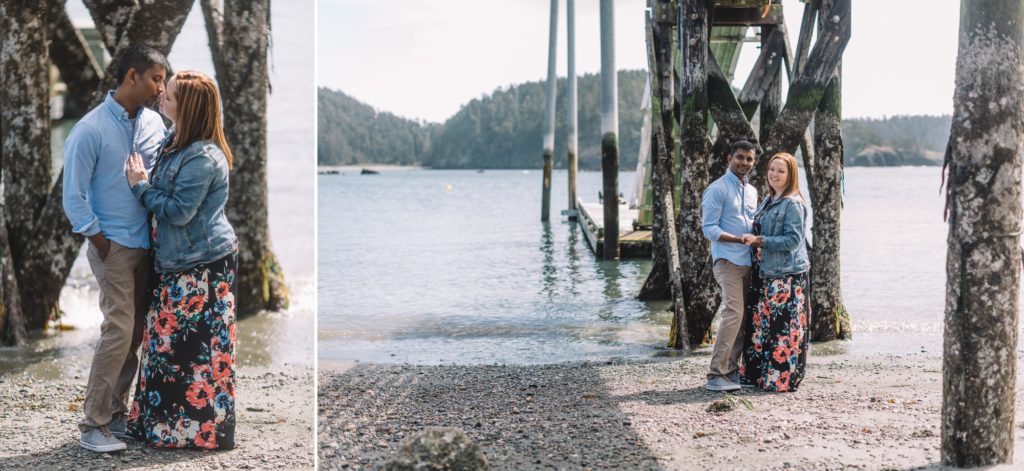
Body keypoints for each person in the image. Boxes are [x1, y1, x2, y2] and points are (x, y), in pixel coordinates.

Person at [124, 70, 239, 449]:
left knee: (198, 352)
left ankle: (198, 434)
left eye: (169, 95)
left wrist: (140, 186)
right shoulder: (175, 141)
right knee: (164, 345)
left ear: (187, 107)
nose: (161, 96)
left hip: (203, 266)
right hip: (175, 262)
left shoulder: (204, 157)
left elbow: (177, 212)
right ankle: (158, 427)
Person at [62, 44, 168, 453]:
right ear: (132, 76)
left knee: (136, 333)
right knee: (118, 331)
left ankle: (117, 414)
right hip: (114, 248)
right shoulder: (89, 130)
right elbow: (73, 198)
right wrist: (102, 242)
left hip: (149, 246)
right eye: (156, 78)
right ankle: (92, 423)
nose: (161, 87)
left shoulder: (155, 125)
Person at [739, 152, 811, 392]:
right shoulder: (769, 200)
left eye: (781, 171)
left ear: (790, 176)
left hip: (786, 275)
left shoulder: (793, 203)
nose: (774, 174)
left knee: (783, 329)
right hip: (764, 272)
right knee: (761, 326)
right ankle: (757, 376)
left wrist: (760, 240)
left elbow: (793, 240)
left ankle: (780, 380)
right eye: (772, 169)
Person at [701, 141, 758, 392]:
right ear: (729, 158)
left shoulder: (754, 191)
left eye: (749, 159)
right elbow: (709, 228)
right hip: (727, 261)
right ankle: (715, 374)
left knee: (743, 318)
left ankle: (732, 372)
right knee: (733, 313)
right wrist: (737, 239)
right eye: (739, 157)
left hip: (749, 262)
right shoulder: (718, 189)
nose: (744, 163)